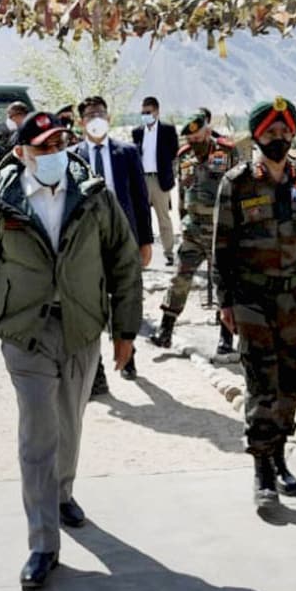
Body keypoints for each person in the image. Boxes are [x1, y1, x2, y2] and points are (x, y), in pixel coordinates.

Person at [0, 111, 143, 589]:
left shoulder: (95, 195)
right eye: (43, 147)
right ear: (22, 153)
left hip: (81, 327)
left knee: (70, 422)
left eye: (61, 143)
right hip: (26, 332)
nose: (55, 153)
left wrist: (125, 331)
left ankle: (62, 494)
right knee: (39, 430)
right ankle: (43, 543)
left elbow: (123, 261)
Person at [212, 96, 296, 509]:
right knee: (260, 380)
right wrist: (225, 301)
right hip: (252, 296)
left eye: (285, 131)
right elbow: (222, 247)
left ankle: (280, 452)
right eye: (272, 132)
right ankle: (262, 470)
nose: (280, 138)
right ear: (257, 136)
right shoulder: (236, 183)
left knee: (292, 379)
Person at [73, 95, 153, 391]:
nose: (97, 118)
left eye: (101, 113)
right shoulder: (72, 156)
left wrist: (145, 240)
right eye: (91, 114)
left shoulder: (127, 152)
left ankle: (128, 353)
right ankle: (96, 372)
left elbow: (141, 200)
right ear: (82, 122)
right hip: (87, 244)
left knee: (126, 298)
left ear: (108, 118)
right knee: (91, 303)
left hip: (124, 239)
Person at [149, 113, 237, 355]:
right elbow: (181, 195)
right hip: (193, 231)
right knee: (180, 278)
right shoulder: (184, 155)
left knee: (224, 283)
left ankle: (226, 338)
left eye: (198, 137)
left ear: (208, 132)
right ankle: (165, 331)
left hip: (221, 231)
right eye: (191, 138)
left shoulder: (227, 152)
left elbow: (238, 189)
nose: (195, 142)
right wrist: (182, 221)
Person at [132, 96, 180, 265]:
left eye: (148, 112)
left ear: (157, 112)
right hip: (142, 179)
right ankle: (142, 254)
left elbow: (174, 151)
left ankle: (169, 253)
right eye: (143, 112)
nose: (145, 115)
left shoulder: (167, 130)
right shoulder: (137, 132)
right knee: (142, 218)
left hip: (160, 180)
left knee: (163, 218)